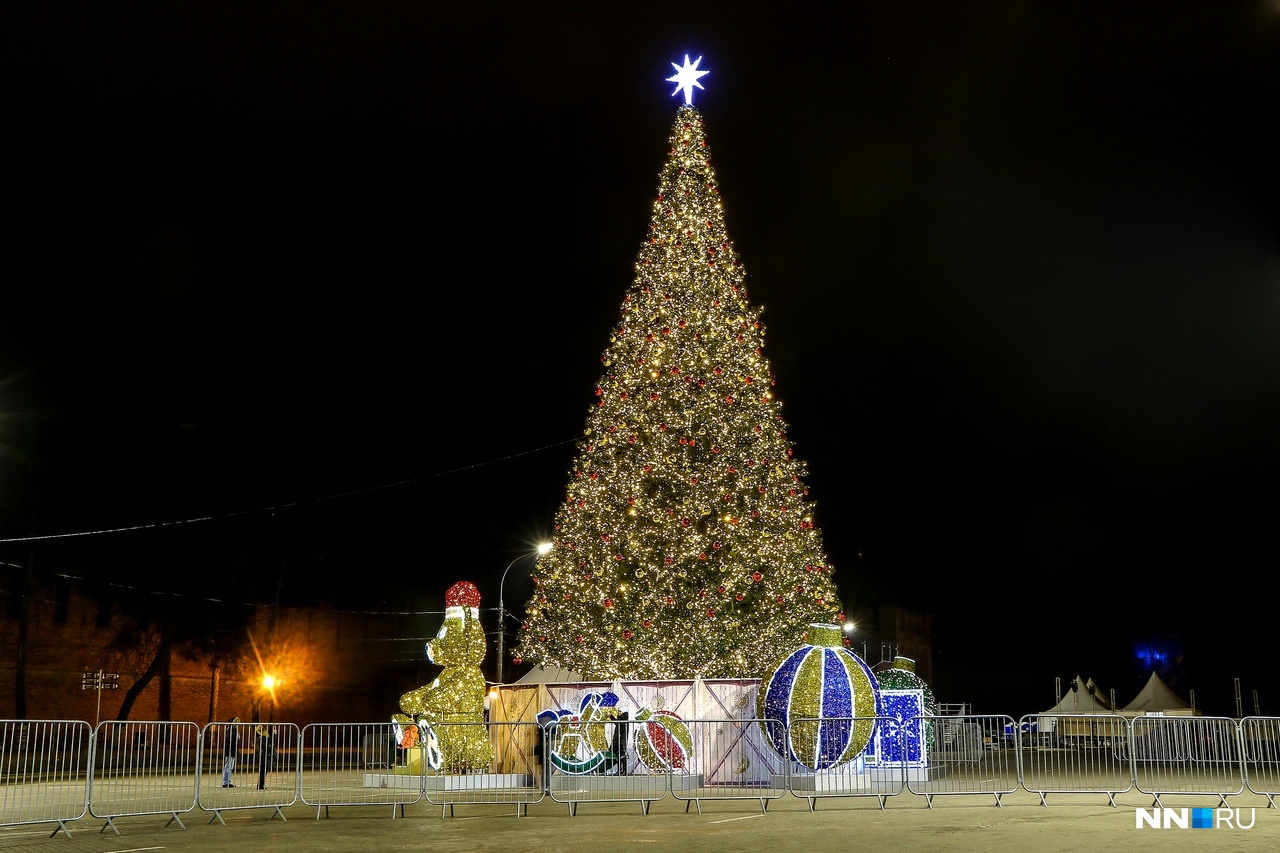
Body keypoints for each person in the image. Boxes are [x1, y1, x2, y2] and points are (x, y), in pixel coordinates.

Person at [221, 716, 241, 787]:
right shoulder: (231, 730)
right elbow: (231, 741)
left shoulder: (233, 730)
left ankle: (227, 781)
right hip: (230, 751)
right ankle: (225, 782)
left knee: (230, 767)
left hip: (232, 751)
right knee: (228, 767)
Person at [255, 724, 275, 790]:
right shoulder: (262, 738)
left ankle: (261, 785)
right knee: (263, 772)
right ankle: (260, 785)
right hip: (264, 756)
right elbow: (270, 741)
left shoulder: (261, 737)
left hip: (263, 756)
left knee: (263, 772)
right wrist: (274, 734)